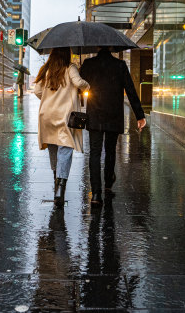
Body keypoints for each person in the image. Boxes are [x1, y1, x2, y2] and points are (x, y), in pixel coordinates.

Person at [80, 47, 146, 205]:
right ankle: (108, 183)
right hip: (113, 115)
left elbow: (79, 86)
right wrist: (140, 115)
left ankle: (96, 194)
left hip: (94, 115)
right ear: (111, 49)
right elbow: (130, 90)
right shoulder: (120, 65)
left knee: (95, 153)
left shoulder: (89, 64)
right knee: (110, 150)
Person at [34, 47, 90, 207]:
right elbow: (79, 83)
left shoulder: (45, 69)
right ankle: (60, 190)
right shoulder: (70, 67)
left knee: (53, 148)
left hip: (46, 115)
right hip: (64, 116)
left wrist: (48, 99)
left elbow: (37, 91)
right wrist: (87, 87)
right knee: (65, 149)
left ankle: (55, 181)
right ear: (67, 54)